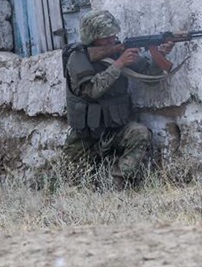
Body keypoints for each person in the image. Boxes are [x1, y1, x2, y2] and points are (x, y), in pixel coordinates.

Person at [62, 10, 175, 188]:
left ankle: (117, 186)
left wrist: (160, 54)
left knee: (140, 133)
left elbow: (149, 76)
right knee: (69, 181)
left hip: (117, 130)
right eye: (105, 37)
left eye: (113, 36)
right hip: (86, 135)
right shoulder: (78, 57)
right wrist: (118, 64)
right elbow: (90, 90)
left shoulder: (118, 52)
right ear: (92, 37)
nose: (111, 40)